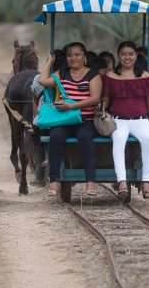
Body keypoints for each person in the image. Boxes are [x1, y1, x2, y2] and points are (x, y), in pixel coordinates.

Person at [39, 42, 102, 197]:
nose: (73, 58)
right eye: (70, 55)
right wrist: (50, 61)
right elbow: (43, 81)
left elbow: (95, 98)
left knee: (85, 137)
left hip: (85, 120)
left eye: (77, 54)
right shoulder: (63, 73)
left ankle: (90, 182)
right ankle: (54, 181)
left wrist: (72, 107)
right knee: (55, 137)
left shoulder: (93, 75)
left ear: (84, 56)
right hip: (64, 121)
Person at [102, 41, 149, 200]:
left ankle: (146, 181)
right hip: (119, 120)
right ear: (118, 56)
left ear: (136, 56)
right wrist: (100, 110)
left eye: (131, 54)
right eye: (123, 54)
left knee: (147, 138)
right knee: (118, 139)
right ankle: (122, 181)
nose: (127, 57)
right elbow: (106, 100)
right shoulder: (111, 76)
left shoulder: (144, 76)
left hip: (140, 119)